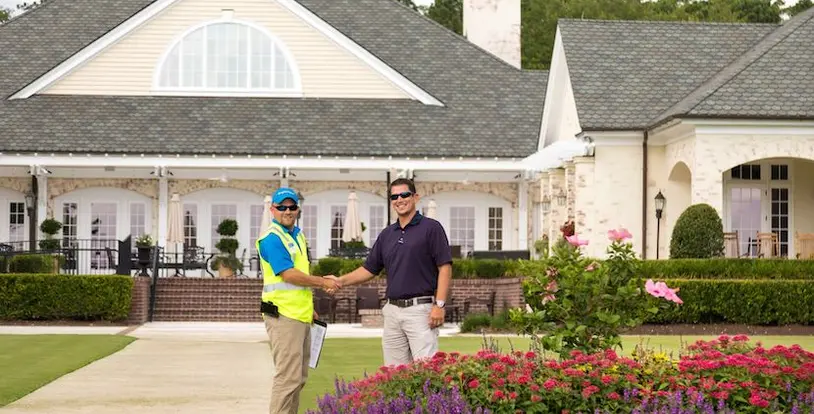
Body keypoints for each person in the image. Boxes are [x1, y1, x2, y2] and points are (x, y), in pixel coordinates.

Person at [331, 178, 453, 366]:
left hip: (420, 311)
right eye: (394, 196)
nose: (399, 199)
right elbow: (369, 269)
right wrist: (340, 281)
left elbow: (444, 267)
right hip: (392, 312)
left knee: (426, 371)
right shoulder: (387, 234)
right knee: (394, 373)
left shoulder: (431, 228)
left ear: (415, 197)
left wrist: (440, 305)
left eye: (404, 195)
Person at [257, 187, 339, 414]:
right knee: (287, 378)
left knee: (298, 378)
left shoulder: (297, 236)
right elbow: (289, 274)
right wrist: (323, 282)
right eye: (282, 206)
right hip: (283, 316)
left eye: (292, 206)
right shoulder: (271, 239)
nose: (287, 211)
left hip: (299, 314)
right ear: (272, 209)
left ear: (298, 209)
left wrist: (310, 307)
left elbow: (300, 275)